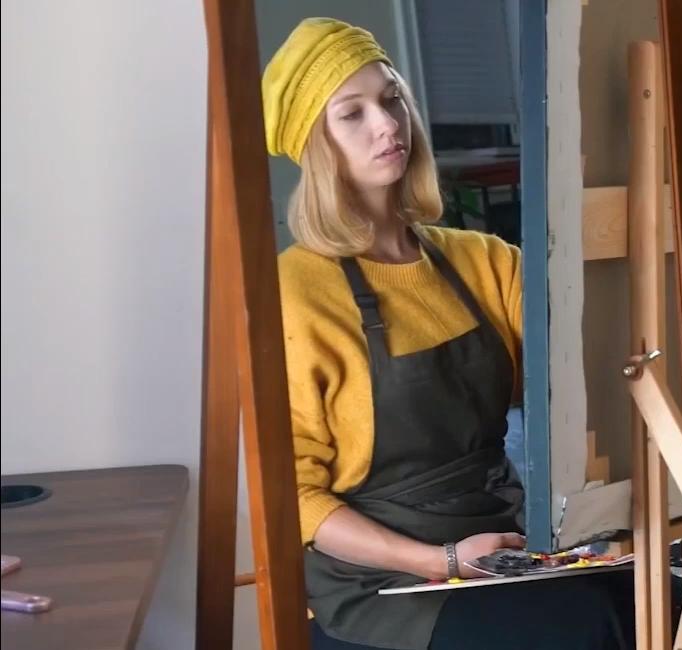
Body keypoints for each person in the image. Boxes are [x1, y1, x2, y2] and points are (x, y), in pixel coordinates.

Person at [265, 18, 633, 650]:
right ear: (314, 145)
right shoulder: (293, 293)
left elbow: (585, 369)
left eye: (391, 99)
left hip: (503, 539)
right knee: (588, 627)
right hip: (382, 582)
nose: (387, 124)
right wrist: (442, 560)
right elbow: (294, 495)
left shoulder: (483, 261)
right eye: (352, 114)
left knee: (662, 601)